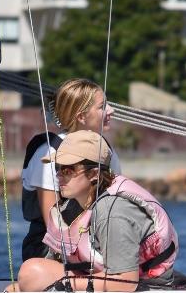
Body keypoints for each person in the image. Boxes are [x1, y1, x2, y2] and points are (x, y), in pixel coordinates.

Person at [13, 130, 178, 292]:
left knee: (32, 273)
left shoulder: (114, 211)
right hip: (101, 281)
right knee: (24, 281)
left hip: (146, 290)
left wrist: (64, 283)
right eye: (57, 168)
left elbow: (126, 282)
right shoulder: (72, 207)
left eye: (68, 170)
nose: (58, 176)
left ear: (94, 173)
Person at [20, 78, 119, 261]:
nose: (111, 111)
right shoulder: (50, 153)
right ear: (81, 117)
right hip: (48, 251)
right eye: (102, 106)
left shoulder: (105, 151)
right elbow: (53, 225)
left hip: (95, 242)